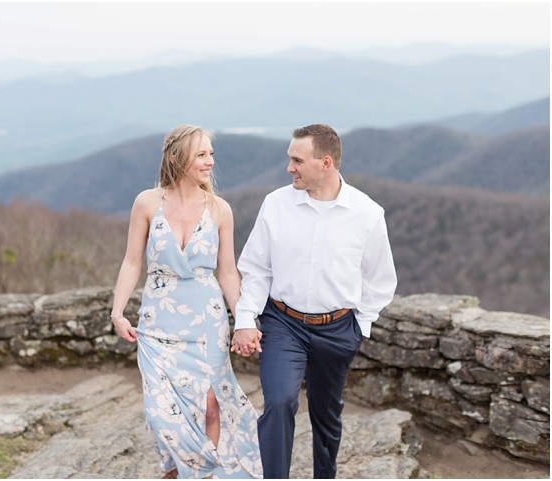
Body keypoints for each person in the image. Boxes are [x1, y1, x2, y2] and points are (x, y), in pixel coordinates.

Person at [231, 124, 397, 479]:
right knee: (279, 401)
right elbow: (256, 268)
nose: (289, 167)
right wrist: (246, 319)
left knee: (326, 414)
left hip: (338, 330)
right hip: (282, 323)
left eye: (296, 160)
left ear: (325, 163)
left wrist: (358, 325)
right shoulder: (276, 204)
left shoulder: (367, 214)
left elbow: (381, 280)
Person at [110, 124, 263, 479]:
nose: (210, 161)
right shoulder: (147, 202)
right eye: (202, 154)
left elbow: (227, 272)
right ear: (178, 158)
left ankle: (201, 476)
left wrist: (244, 321)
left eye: (211, 153)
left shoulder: (220, 209)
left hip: (207, 323)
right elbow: (132, 261)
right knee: (161, 414)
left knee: (210, 409)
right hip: (157, 323)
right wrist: (118, 312)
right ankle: (178, 470)